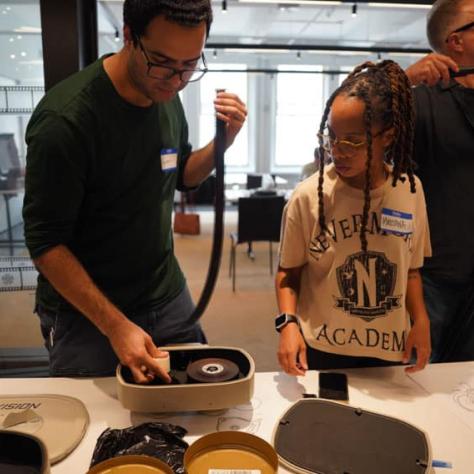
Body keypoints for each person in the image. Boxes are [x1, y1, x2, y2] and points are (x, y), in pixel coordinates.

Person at [22, 0, 247, 383]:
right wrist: (114, 325)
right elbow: (45, 243)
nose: (176, 80)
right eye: (162, 62)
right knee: (99, 427)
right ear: (129, 36)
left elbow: (181, 175)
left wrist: (221, 144)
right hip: (86, 313)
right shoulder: (65, 121)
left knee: (195, 405)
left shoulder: (166, 95)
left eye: (189, 65)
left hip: (165, 292)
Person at [275, 60, 431, 376]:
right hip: (322, 348)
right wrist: (288, 325)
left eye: (354, 140)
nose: (338, 150)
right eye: (331, 137)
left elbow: (411, 271)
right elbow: (287, 274)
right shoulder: (308, 197)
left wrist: (421, 320)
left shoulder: (411, 190)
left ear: (387, 136)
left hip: (389, 349)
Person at [405, 0, 474, 362]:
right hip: (433, 276)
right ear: (455, 41)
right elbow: (346, 119)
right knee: (420, 382)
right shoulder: (420, 101)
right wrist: (401, 81)